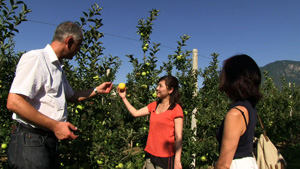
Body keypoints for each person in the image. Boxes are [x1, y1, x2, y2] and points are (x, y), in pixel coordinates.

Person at [6, 21, 113, 169]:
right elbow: (14, 102)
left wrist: (96, 90)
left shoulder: (58, 68)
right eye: (79, 45)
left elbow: (71, 96)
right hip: (30, 140)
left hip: (45, 140)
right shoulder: (37, 59)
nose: (79, 50)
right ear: (69, 41)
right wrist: (56, 126)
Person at [117, 75, 183, 169]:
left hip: (165, 157)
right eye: (157, 85)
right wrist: (124, 98)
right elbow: (135, 113)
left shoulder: (176, 109)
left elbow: (179, 137)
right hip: (150, 155)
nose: (157, 88)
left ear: (170, 90)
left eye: (160, 86)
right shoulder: (154, 105)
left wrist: (177, 160)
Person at [215, 54, 262, 169]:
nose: (220, 75)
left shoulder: (236, 113)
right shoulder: (248, 106)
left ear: (234, 76)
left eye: (223, 71)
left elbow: (224, 164)